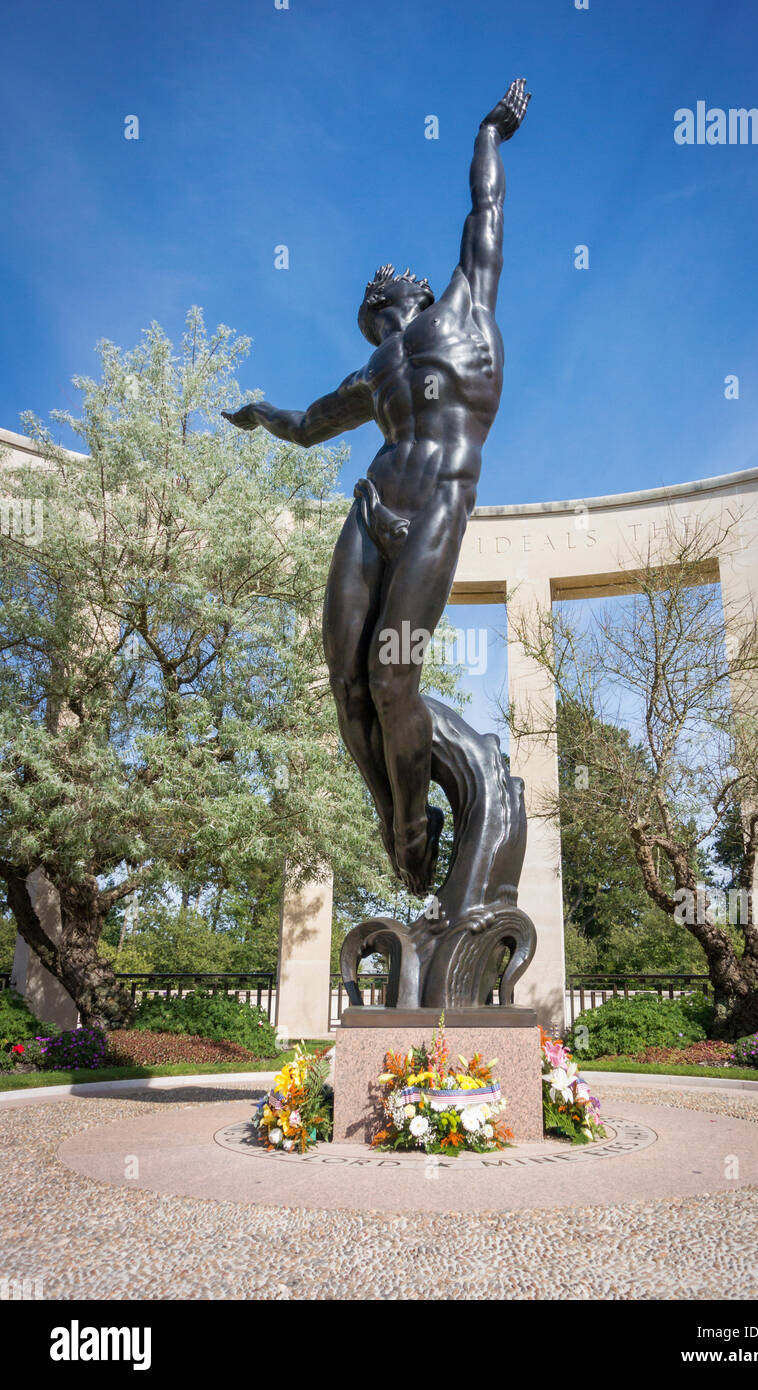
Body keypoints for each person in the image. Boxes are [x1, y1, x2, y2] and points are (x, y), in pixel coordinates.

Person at [223, 80, 531, 894]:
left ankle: (414, 822)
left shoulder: (463, 309)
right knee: (346, 686)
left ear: (411, 293)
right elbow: (309, 423)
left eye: (387, 279)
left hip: (438, 503)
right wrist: (260, 414)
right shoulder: (371, 372)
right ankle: (397, 818)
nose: (378, 281)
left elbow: (484, 216)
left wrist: (488, 133)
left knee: (393, 677)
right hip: (371, 508)